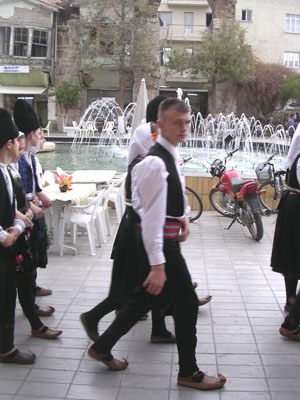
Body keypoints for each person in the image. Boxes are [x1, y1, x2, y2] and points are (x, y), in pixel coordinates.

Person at [87, 98, 226, 390]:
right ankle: (189, 372)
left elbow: (176, 194)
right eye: (177, 122)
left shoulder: (171, 155)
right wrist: (159, 264)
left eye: (187, 122)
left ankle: (101, 347)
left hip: (165, 239)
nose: (184, 128)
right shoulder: (153, 162)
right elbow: (149, 218)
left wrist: (185, 218)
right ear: (160, 125)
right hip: (158, 242)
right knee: (186, 304)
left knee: (144, 299)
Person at [80, 96, 176, 344]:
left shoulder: (148, 154)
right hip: (139, 227)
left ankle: (158, 328)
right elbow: (148, 203)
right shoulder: (146, 157)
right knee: (132, 287)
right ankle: (95, 321)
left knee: (142, 285)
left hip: (140, 225)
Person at [9, 134, 62, 339]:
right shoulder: (10, 169)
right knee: (18, 281)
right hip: (12, 235)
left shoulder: (9, 170)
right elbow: (11, 203)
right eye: (17, 144)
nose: (20, 150)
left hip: (18, 231)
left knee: (26, 275)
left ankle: (34, 322)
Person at [0, 108, 36, 364]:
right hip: (3, 245)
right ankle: (6, 350)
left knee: (7, 295)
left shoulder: (5, 170)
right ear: (8, 143)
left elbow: (9, 207)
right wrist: (3, 235)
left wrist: (17, 224)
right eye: (16, 140)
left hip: (8, 244)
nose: (20, 144)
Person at [13, 99, 54, 314]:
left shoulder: (29, 157)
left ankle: (32, 289)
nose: (42, 139)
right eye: (39, 134)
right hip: (22, 215)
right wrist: (31, 205)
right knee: (26, 260)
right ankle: (29, 302)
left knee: (34, 255)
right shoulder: (18, 159)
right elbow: (16, 191)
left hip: (30, 210)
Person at [271, 123, 300, 312]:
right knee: (293, 254)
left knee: (293, 253)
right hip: (296, 206)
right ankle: (291, 300)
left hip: (293, 205)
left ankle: (291, 300)